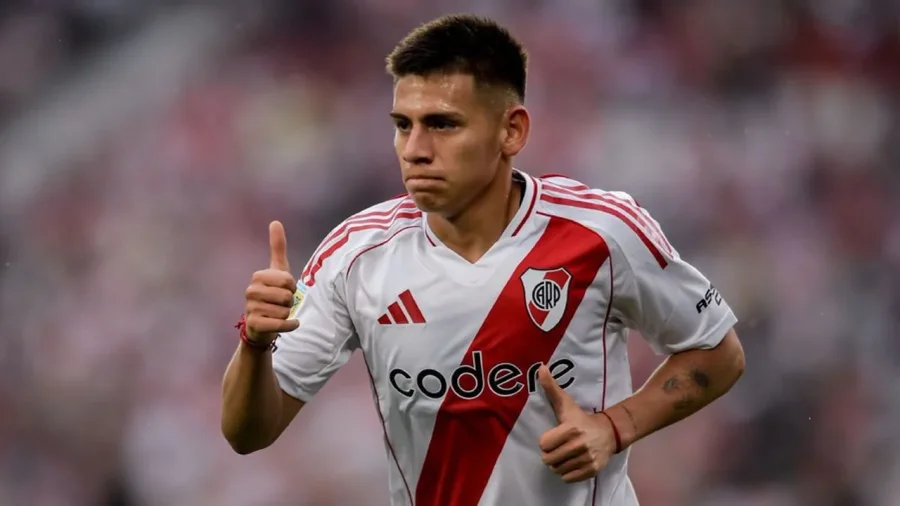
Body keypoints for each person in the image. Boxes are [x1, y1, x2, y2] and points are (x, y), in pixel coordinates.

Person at [221, 13, 745, 506]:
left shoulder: (601, 233)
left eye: (443, 125)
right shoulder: (356, 254)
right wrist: (254, 345)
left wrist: (613, 427)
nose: (414, 149)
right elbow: (247, 434)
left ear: (511, 131)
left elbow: (717, 352)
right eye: (403, 125)